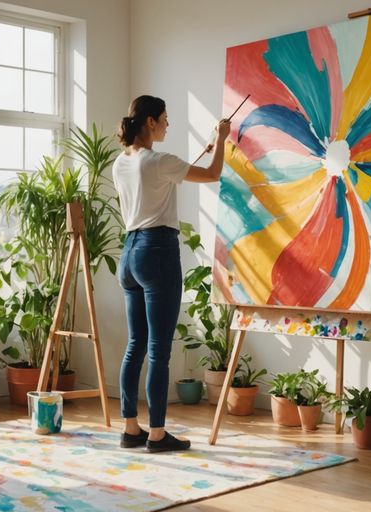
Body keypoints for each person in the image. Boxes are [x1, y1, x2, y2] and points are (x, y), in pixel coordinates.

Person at [112, 95, 230, 453]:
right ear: (149, 121)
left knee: (136, 345)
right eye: (164, 118)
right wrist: (222, 139)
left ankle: (131, 429)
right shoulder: (160, 161)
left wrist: (206, 149)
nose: (167, 124)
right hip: (158, 252)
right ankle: (159, 435)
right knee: (159, 350)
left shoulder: (122, 162)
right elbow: (212, 174)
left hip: (130, 254)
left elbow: (160, 184)